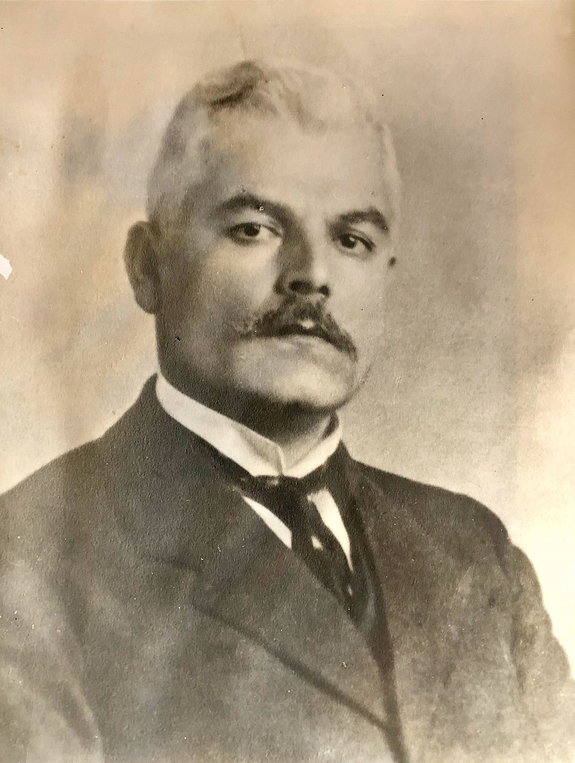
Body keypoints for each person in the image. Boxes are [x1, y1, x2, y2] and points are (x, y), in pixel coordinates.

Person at [0, 59, 573, 763]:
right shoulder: (26, 561)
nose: (312, 273)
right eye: (253, 228)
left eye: (352, 239)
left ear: (385, 278)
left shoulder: (476, 556)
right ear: (149, 266)